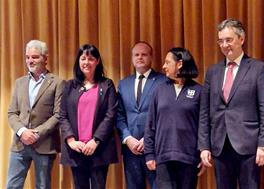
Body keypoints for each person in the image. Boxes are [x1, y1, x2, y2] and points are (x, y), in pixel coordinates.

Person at [198, 18, 264, 189]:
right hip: (219, 146)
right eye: (221, 41)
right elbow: (204, 112)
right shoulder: (213, 72)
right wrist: (204, 146)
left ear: (241, 39)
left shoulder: (257, 69)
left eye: (229, 40)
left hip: (249, 147)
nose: (225, 45)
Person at [6, 40, 65, 189]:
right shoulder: (19, 82)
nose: (30, 61)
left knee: (43, 186)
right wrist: (23, 131)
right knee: (12, 185)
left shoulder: (58, 82)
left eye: (35, 57)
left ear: (45, 59)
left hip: (44, 145)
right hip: (20, 144)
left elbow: (58, 115)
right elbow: (12, 113)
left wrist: (36, 134)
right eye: (27, 57)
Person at [60, 44, 118, 189]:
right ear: (78, 61)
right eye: (83, 58)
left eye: (91, 59)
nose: (86, 62)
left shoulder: (107, 85)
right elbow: (62, 115)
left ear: (97, 61)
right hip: (76, 149)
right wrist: (71, 140)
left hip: (99, 149)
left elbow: (110, 115)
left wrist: (95, 140)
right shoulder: (69, 86)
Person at [144, 47, 202, 189]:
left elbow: (204, 125)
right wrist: (149, 154)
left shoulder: (199, 90)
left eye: (167, 62)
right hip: (163, 157)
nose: (163, 66)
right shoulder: (159, 90)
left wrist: (202, 153)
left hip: (189, 157)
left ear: (179, 64)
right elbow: (150, 124)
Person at [116, 41, 166, 189]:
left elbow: (165, 115)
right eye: (136, 55)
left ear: (151, 57)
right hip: (130, 149)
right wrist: (127, 138)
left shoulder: (163, 81)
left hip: (155, 148)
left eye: (144, 54)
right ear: (132, 58)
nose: (140, 57)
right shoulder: (124, 83)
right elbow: (119, 115)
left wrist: (148, 138)